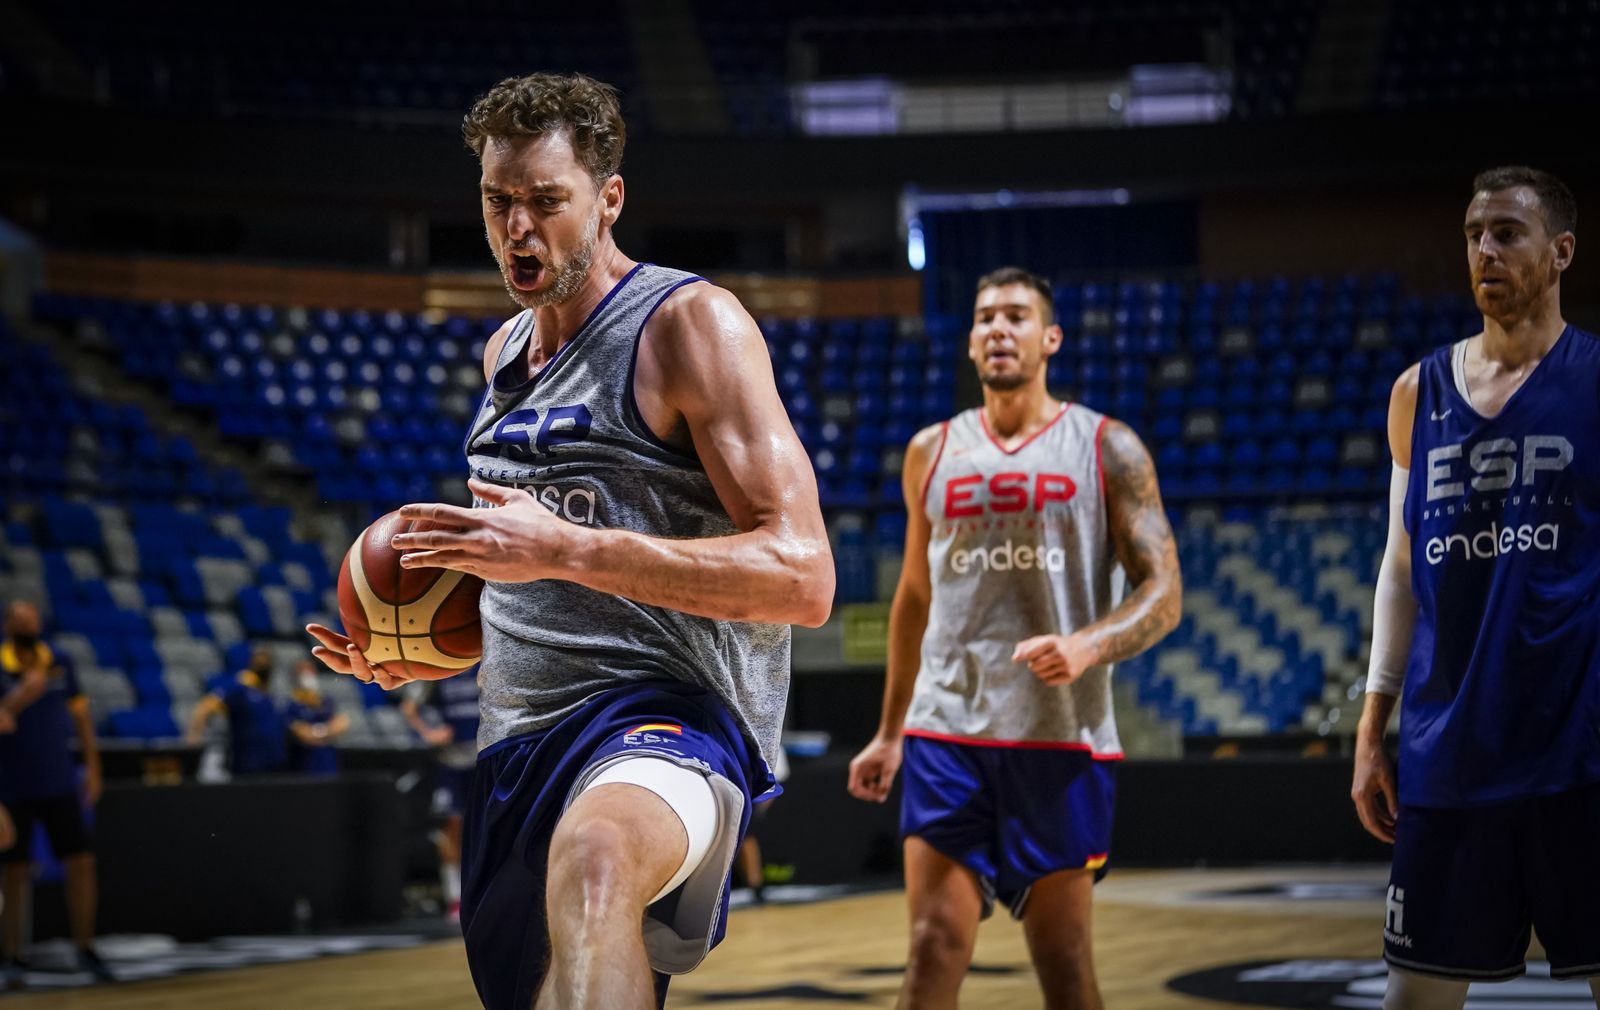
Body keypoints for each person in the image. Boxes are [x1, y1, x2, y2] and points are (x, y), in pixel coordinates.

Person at [306, 72, 833, 1010]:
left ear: (608, 198)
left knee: (596, 861)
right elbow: (522, 579)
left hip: (665, 720)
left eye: (546, 201)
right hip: (516, 748)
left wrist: (568, 551)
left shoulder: (686, 325)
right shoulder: (503, 354)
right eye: (497, 202)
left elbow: (801, 576)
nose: (518, 228)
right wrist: (412, 647)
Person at [848, 266, 1182, 1010]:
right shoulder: (929, 452)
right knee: (933, 946)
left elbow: (1165, 592)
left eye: (1017, 317)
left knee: (1064, 967)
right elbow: (913, 596)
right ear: (970, 342)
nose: (1000, 328)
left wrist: (1088, 646)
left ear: (1050, 338)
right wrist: (890, 731)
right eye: (986, 318)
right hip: (948, 732)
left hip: (1059, 740)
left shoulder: (1107, 447)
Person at [1351, 167, 1600, 1008]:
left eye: (1506, 233)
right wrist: (1372, 718)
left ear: (1561, 252)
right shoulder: (1415, 394)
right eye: (1472, 234)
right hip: (1450, 754)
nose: (1484, 250)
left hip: (1584, 760)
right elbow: (1397, 565)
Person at [0, 601, 110, 984]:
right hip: (12, 782)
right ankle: (11, 954)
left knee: (81, 863)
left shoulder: (59, 659)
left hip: (58, 779)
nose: (27, 624)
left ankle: (85, 947)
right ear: (7, 625)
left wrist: (93, 767)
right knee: (14, 870)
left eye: (32, 619)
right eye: (19, 620)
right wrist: (21, 697)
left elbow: (81, 716)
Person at [398, 670, 481, 921]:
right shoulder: (440, 668)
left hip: (482, 756)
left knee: (483, 826)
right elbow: (409, 707)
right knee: (451, 827)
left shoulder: (485, 661)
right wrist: (429, 732)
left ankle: (482, 893)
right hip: (449, 759)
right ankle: (455, 897)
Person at [185, 647, 289, 777]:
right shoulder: (240, 688)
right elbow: (204, 708)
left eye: (267, 659)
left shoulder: (272, 695)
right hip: (248, 764)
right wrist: (194, 738)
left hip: (274, 763)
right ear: (251, 662)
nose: (263, 663)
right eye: (260, 659)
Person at [285, 660, 348, 776]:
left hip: (328, 761)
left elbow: (341, 724)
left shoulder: (326, 701)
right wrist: (327, 732)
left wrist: (317, 732)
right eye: (303, 671)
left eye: (310, 670)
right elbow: (302, 733)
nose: (308, 674)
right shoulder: (292, 704)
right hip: (304, 762)